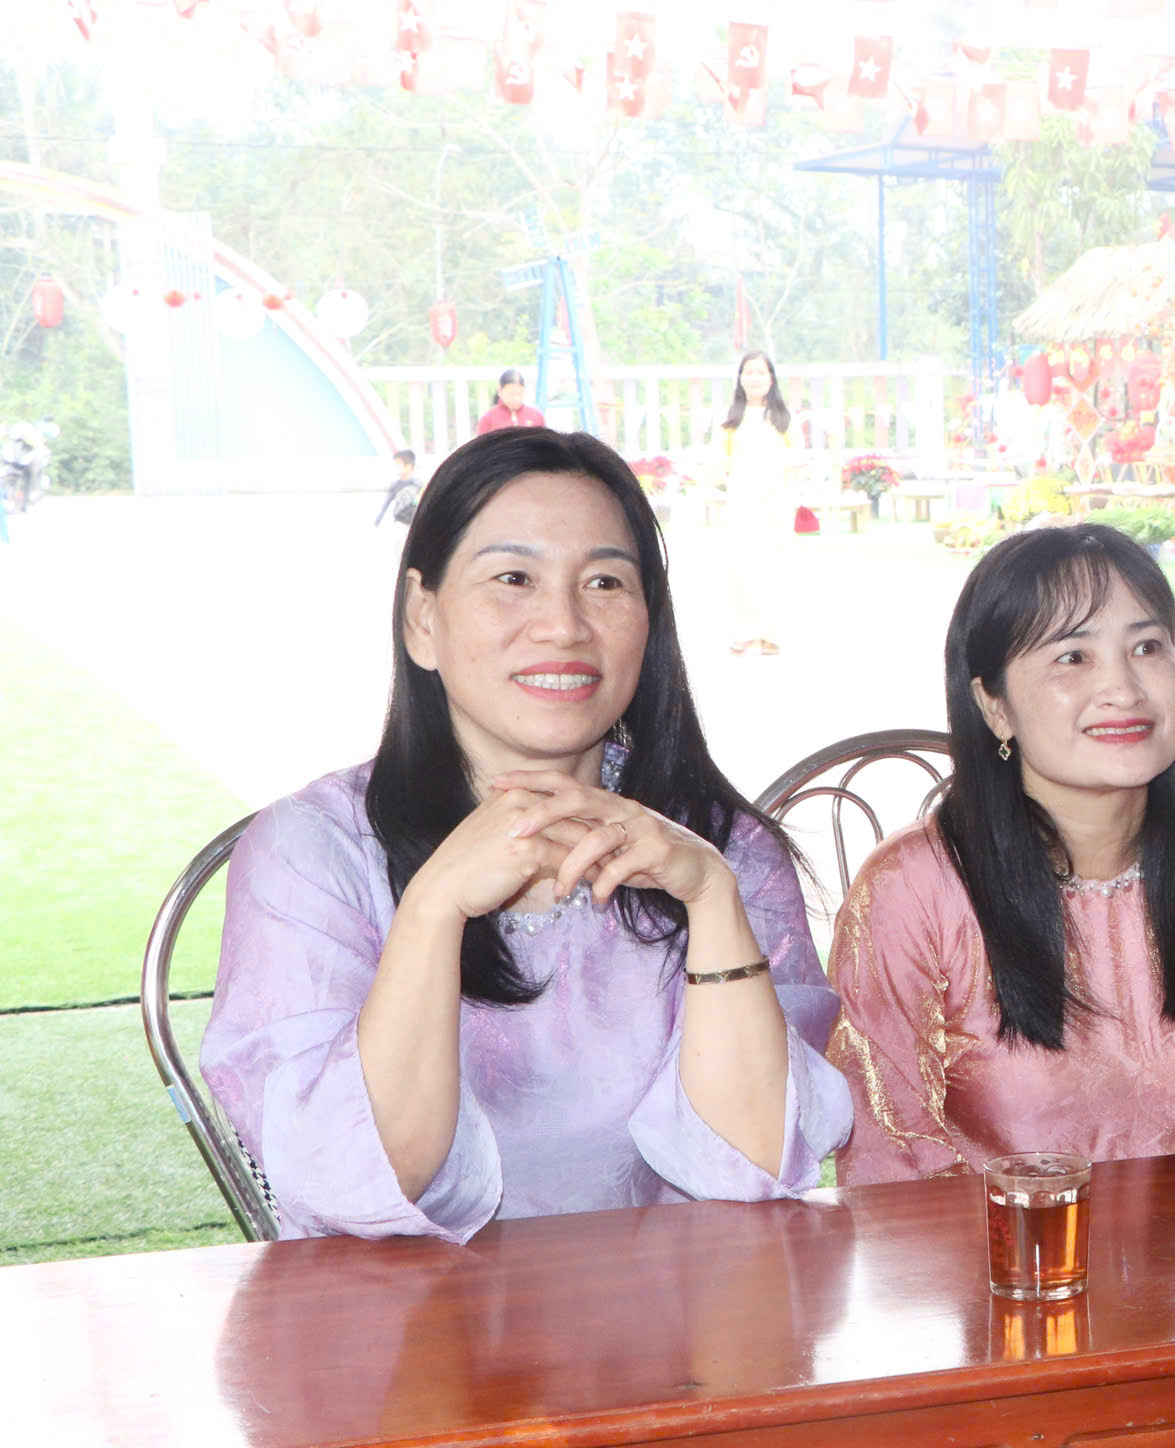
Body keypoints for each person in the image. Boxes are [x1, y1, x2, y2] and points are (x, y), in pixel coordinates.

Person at [201, 427, 853, 1240]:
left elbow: (756, 1162)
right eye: (513, 578)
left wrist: (713, 900)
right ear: (422, 619)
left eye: (605, 582)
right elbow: (356, 1184)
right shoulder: (313, 853)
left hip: (674, 1314)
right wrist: (433, 906)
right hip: (407, 1316)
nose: (564, 625)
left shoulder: (722, 851)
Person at [828, 522, 1175, 1179]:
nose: (1125, 689)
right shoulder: (914, 889)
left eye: (1146, 647)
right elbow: (886, 1152)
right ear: (994, 706)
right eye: (1073, 657)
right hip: (989, 1242)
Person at [715, 351, 796, 657]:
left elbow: (796, 458)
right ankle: (743, 633)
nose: (755, 378)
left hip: (777, 503)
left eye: (761, 372)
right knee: (742, 566)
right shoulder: (729, 419)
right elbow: (719, 460)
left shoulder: (784, 418)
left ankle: (771, 634)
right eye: (749, 372)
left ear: (771, 379)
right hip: (742, 503)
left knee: (773, 566)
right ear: (740, 378)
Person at [475, 369, 546, 434]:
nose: (515, 398)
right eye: (511, 394)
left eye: (519, 394)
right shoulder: (488, 419)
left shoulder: (536, 416)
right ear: (500, 391)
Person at [375, 447, 420, 528]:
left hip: (415, 524)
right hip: (399, 523)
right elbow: (386, 504)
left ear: (409, 466)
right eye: (395, 465)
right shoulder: (395, 485)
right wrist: (378, 519)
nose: (396, 467)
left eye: (398, 464)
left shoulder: (418, 485)